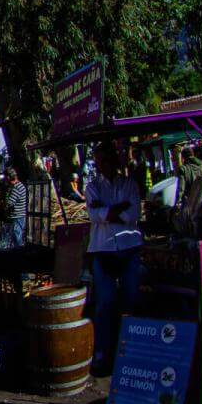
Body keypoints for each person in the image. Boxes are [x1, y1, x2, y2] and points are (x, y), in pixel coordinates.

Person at [85, 141, 142, 374]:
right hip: (103, 248)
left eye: (106, 159)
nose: (103, 165)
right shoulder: (92, 187)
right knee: (105, 303)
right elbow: (94, 214)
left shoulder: (129, 184)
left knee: (131, 299)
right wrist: (115, 210)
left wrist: (108, 212)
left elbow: (133, 214)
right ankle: (102, 352)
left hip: (129, 246)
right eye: (99, 161)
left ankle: (133, 351)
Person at [4, 168, 27, 248]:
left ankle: (19, 254)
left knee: (17, 238)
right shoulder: (18, 186)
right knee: (16, 237)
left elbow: (9, 202)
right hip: (17, 216)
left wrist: (6, 194)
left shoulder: (17, 188)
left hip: (17, 216)